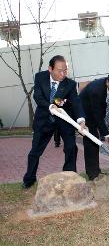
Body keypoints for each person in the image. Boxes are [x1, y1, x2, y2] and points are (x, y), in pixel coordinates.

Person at [22, 55, 86, 189]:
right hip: (44, 118)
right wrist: (51, 106)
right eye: (59, 70)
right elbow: (38, 97)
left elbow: (76, 102)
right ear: (50, 69)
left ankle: (70, 176)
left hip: (64, 119)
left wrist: (81, 120)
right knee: (35, 151)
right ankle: (29, 179)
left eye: (65, 70)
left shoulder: (70, 84)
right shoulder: (40, 77)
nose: (63, 74)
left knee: (71, 147)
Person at [79, 71, 109, 180]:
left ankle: (95, 171)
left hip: (93, 113)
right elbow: (97, 115)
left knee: (95, 142)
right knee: (91, 141)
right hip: (84, 115)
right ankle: (93, 174)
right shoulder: (97, 91)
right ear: (108, 82)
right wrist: (107, 136)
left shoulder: (108, 85)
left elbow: (103, 108)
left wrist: (107, 123)